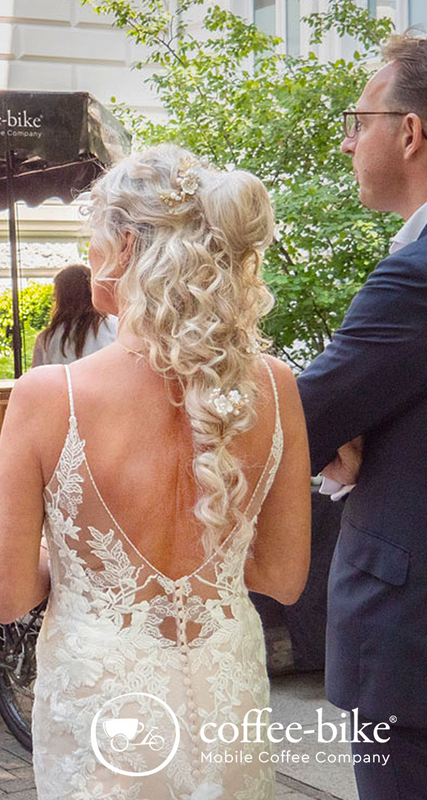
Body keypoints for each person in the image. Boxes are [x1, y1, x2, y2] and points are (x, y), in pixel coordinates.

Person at [0, 145, 311, 798]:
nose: (88, 252)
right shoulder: (275, 388)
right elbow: (282, 577)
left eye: (94, 236)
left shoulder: (50, 396)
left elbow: (8, 595)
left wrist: (77, 563)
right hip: (224, 694)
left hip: (105, 710)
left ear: (127, 245)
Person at [297, 32, 427, 800]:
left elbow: (303, 417)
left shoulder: (414, 275)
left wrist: (340, 444)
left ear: (410, 132)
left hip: (410, 656)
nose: (348, 143)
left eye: (359, 120)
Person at [31, 264, 117, 367]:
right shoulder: (116, 328)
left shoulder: (47, 339)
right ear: (92, 289)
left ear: (60, 297)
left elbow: (40, 378)